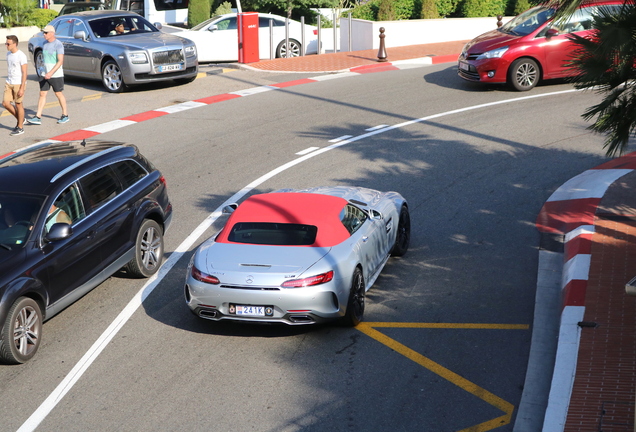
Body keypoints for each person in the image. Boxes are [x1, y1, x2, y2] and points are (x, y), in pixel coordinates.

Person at [26, 25, 69, 126]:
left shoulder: (58, 45)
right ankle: (38, 116)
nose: (44, 35)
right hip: (44, 74)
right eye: (43, 33)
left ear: (52, 33)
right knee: (42, 94)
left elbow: (60, 61)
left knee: (58, 93)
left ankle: (65, 115)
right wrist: (43, 70)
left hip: (55, 74)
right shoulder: (44, 44)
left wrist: (51, 72)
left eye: (46, 33)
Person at [3, 35, 27, 136]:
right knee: (5, 103)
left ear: (15, 44)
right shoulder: (8, 54)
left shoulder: (21, 55)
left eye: (8, 44)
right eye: (6, 43)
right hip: (9, 82)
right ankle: (21, 119)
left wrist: (22, 88)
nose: (6, 45)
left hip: (18, 82)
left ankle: (20, 127)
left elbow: (24, 72)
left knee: (18, 104)